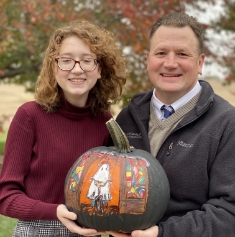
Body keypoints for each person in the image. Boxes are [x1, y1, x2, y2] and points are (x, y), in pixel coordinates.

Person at [109, 12, 235, 237]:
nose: (170, 63)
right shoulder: (128, 117)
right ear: (148, 59)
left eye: (182, 54)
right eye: (161, 53)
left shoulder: (227, 124)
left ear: (200, 62)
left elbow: (229, 213)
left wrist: (162, 233)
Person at [0, 20, 126, 237]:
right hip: (37, 230)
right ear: (53, 67)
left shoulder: (105, 122)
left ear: (100, 70)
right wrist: (56, 212)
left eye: (87, 60)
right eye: (66, 60)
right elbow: (6, 196)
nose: (77, 69)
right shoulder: (30, 116)